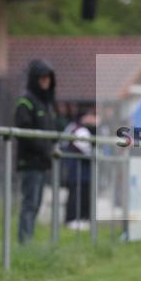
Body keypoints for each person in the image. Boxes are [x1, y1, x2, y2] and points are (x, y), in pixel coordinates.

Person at [14, 59, 56, 244]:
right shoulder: (26, 102)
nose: (46, 81)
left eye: (48, 78)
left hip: (42, 162)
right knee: (29, 204)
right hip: (30, 162)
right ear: (36, 79)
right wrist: (44, 148)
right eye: (43, 78)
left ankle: (28, 240)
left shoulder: (45, 104)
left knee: (36, 204)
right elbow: (24, 132)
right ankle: (24, 242)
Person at [63, 111, 96, 229]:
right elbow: (84, 149)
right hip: (77, 171)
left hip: (86, 173)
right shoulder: (80, 130)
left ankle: (83, 218)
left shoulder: (88, 130)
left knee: (85, 195)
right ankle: (72, 219)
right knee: (76, 195)